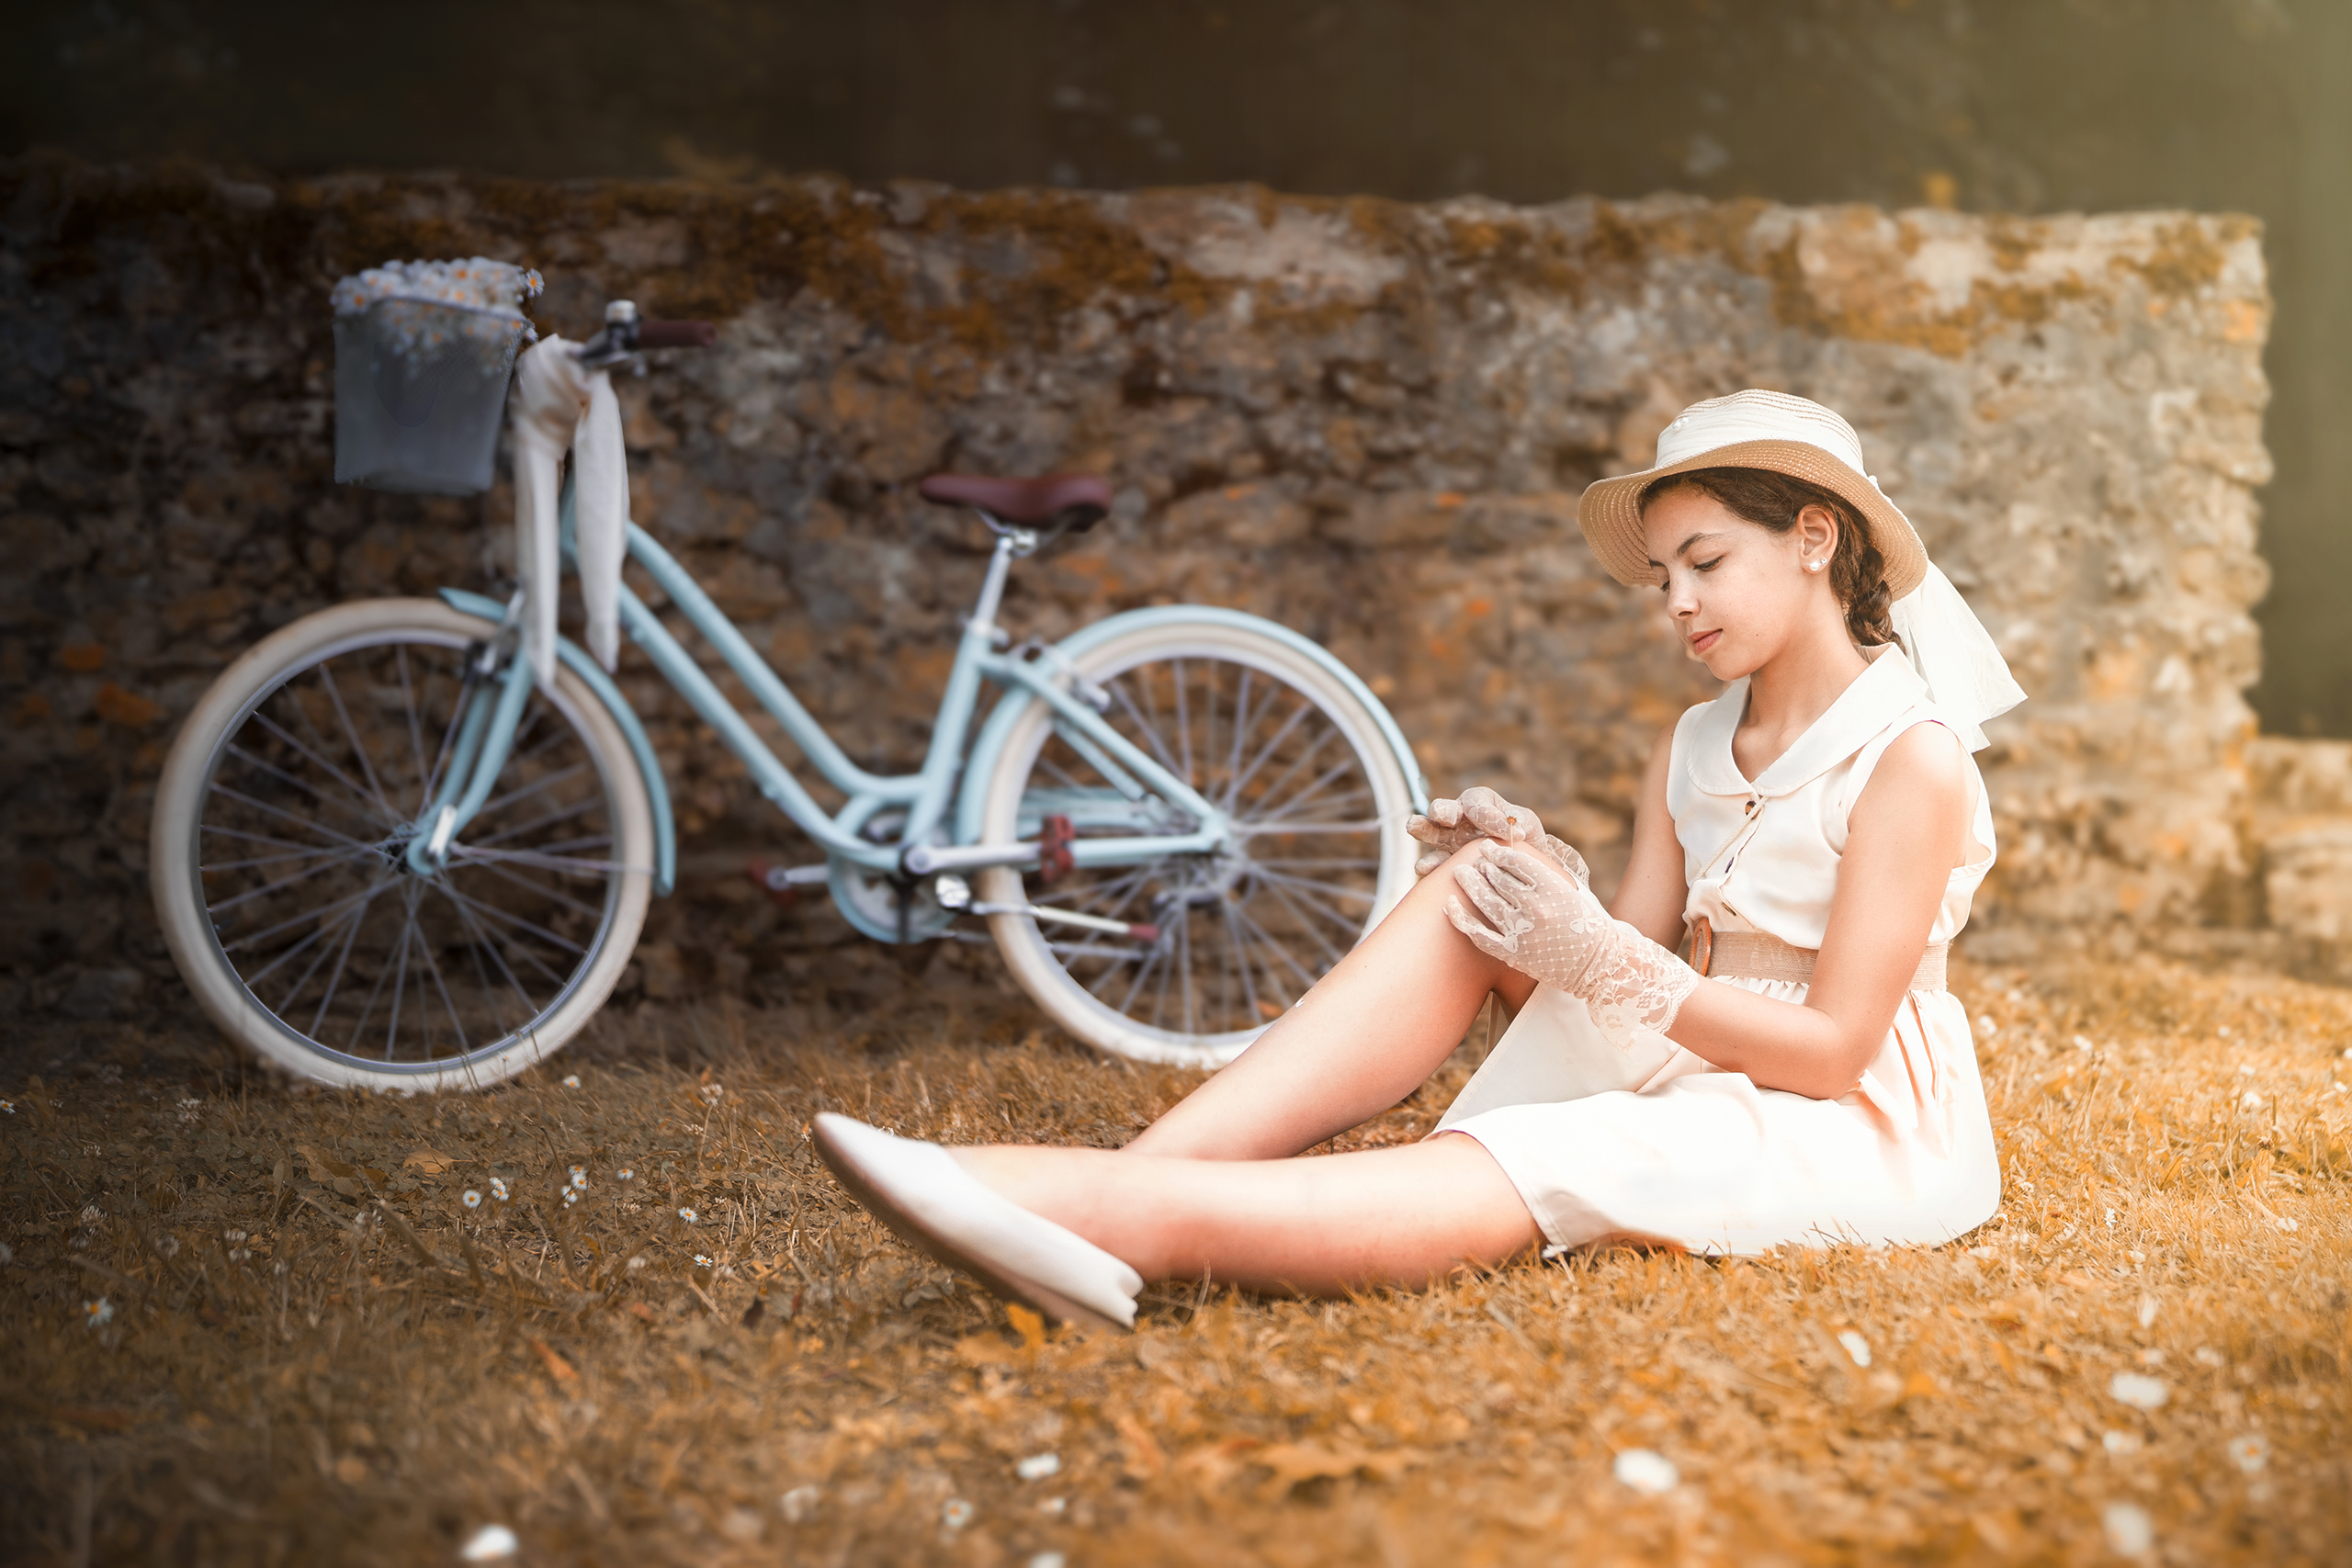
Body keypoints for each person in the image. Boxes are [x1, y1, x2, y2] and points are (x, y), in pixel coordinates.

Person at [813, 389, 2028, 1332]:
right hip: (1705, 1035)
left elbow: (1828, 1053)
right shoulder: (1699, 735)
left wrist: (1601, 956)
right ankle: (1127, 1186)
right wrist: (1535, 879)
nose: (1675, 602)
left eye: (1705, 563)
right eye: (1662, 576)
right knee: (1471, 895)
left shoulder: (1908, 757)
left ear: (1814, 537)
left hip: (1836, 1108)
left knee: (1558, 1156)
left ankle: (1116, 1216)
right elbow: (1639, 944)